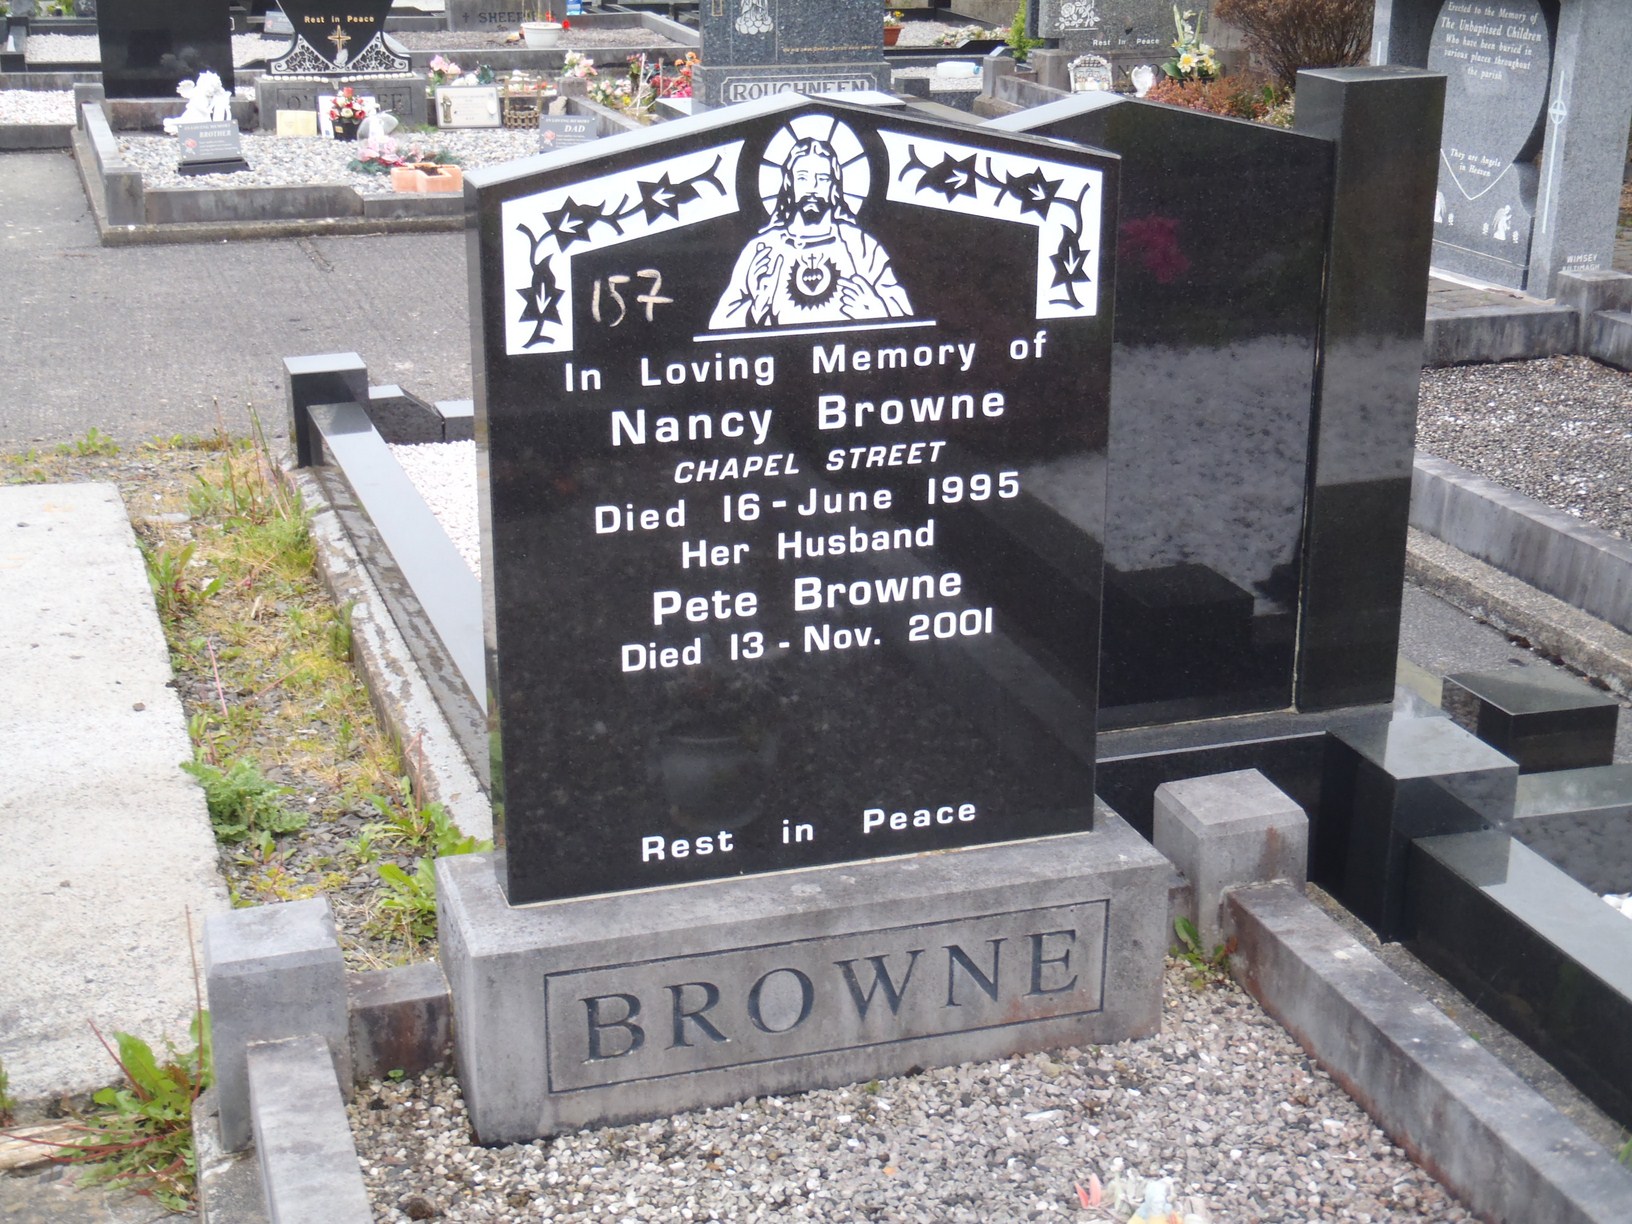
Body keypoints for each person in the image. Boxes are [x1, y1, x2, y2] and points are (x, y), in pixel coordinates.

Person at [710, 137, 911, 329]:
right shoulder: (762, 249)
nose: (812, 188)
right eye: (803, 177)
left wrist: (875, 311)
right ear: (789, 183)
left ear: (834, 186)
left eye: (822, 178)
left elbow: (907, 319)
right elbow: (717, 326)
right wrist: (755, 309)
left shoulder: (861, 247)